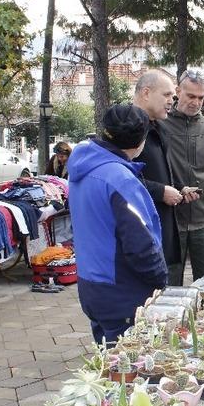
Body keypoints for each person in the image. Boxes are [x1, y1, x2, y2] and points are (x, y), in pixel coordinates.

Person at [69, 104, 168, 345]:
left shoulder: (81, 167)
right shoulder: (120, 179)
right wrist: (160, 280)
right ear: (140, 141)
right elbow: (139, 245)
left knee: (107, 358)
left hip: (91, 283)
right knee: (127, 368)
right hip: (122, 290)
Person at [163, 70, 204, 283]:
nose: (196, 102)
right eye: (191, 96)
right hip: (172, 218)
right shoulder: (160, 124)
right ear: (178, 91)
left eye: (201, 97)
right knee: (170, 285)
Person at [132, 70, 184, 285]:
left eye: (173, 96)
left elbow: (158, 171)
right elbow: (119, 179)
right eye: (167, 95)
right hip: (140, 235)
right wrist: (161, 191)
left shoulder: (158, 127)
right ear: (146, 93)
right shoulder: (128, 128)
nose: (172, 101)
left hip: (162, 230)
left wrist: (179, 188)